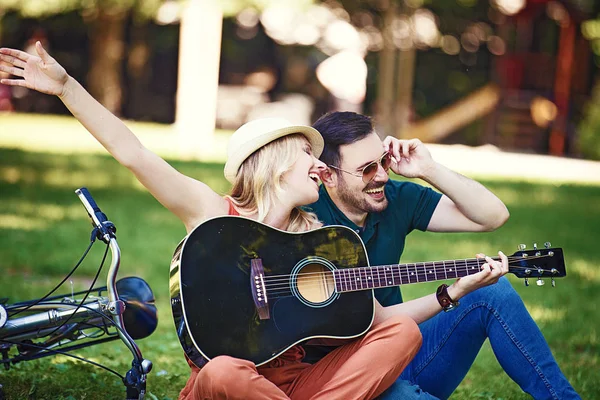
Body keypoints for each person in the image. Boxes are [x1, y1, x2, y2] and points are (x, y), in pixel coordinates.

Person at [0, 43, 462, 400]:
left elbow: (377, 320)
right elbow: (133, 153)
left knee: (401, 332)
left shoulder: (314, 239)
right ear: (277, 163)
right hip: (233, 385)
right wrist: (66, 88)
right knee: (223, 369)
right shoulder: (214, 216)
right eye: (309, 155)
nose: (320, 166)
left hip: (299, 386)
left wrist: (451, 292)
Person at [306, 111, 581, 400]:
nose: (383, 175)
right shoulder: (308, 221)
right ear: (328, 176)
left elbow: (492, 216)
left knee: (494, 291)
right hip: (352, 382)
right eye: (367, 170)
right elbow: (378, 320)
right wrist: (450, 293)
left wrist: (429, 169)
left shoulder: (393, 198)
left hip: (403, 355)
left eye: (384, 160)